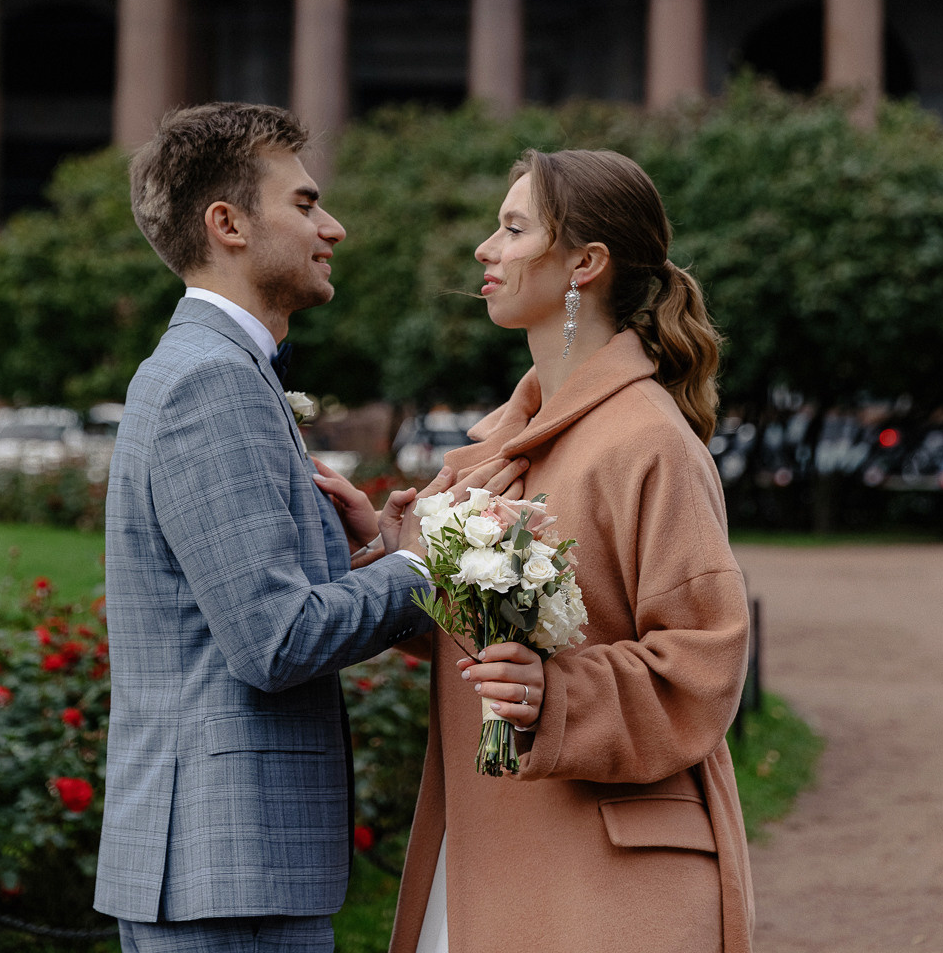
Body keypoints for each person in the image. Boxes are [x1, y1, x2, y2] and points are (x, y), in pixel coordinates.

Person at [95, 101, 527, 953]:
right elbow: (274, 642)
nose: (333, 227)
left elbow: (239, 607)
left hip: (220, 869)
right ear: (227, 225)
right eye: (304, 203)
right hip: (226, 873)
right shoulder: (211, 381)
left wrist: (372, 556)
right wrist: (421, 565)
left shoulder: (216, 368)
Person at [389, 148, 755, 953]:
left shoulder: (648, 440)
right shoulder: (499, 445)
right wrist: (389, 557)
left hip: (606, 882)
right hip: (488, 863)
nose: (485, 249)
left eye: (513, 228)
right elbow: (482, 641)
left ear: (584, 264)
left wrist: (554, 695)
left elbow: (703, 658)